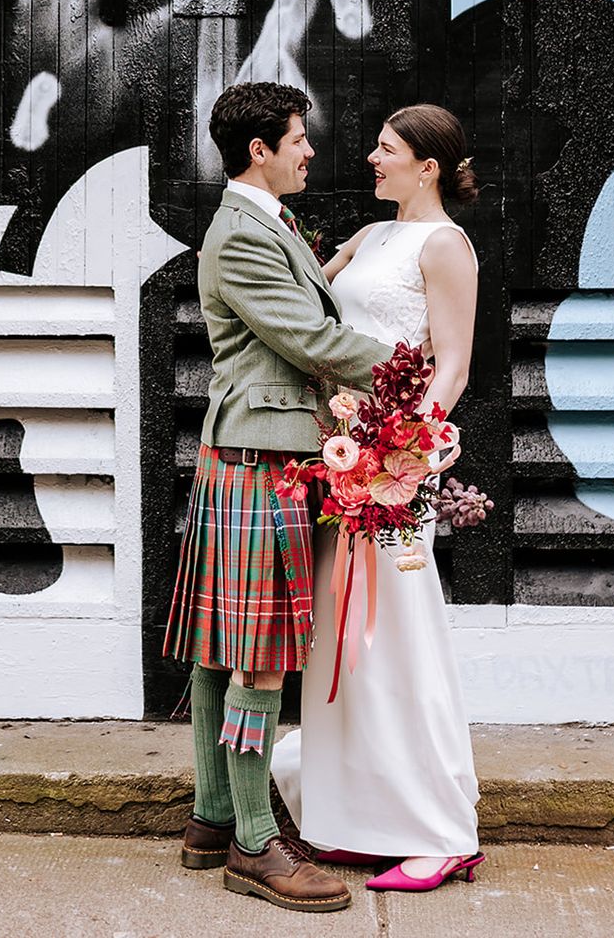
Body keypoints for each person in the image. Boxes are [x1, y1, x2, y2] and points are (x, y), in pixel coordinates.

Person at [163, 81, 393, 913]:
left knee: (226, 648)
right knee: (256, 653)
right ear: (258, 149)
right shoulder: (242, 233)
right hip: (262, 455)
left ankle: (212, 818)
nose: (309, 152)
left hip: (259, 452)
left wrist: (341, 261)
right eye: (299, 139)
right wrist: (406, 372)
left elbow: (304, 305)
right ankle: (255, 846)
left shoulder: (266, 222)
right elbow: (304, 336)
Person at [271, 104, 483, 892]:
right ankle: (354, 810)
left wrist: (403, 458)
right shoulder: (368, 237)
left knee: (399, 635)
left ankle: (437, 829)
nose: (370, 157)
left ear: (426, 166)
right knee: (341, 637)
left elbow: (453, 365)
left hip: (393, 475)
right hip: (338, 463)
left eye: (386, 149)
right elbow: (310, 322)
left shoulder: (446, 245)